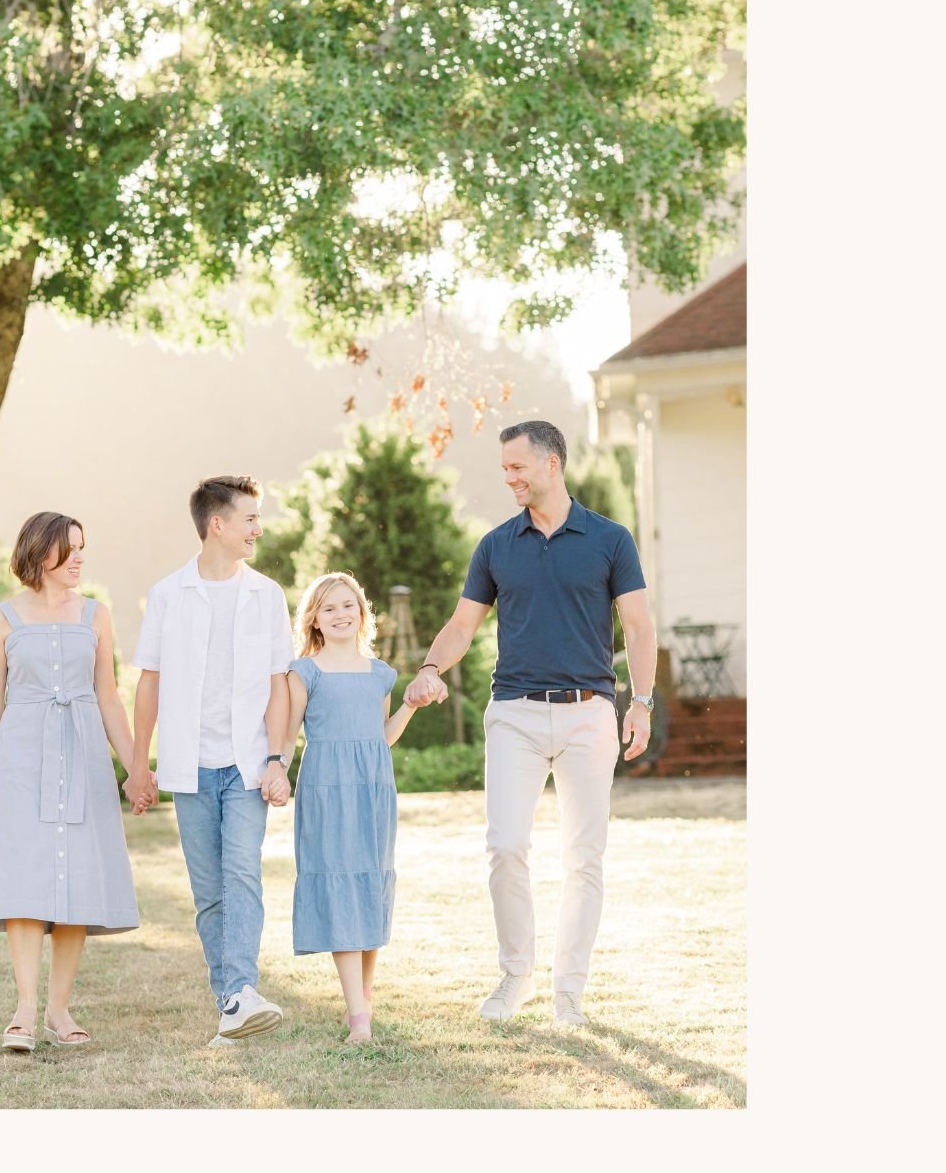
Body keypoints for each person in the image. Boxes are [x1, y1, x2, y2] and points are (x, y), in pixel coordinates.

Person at [404, 420, 656, 1026]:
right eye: (504, 470)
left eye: (517, 468)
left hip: (589, 713)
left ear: (551, 464)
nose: (509, 479)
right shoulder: (496, 545)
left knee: (584, 856)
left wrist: (640, 702)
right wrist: (431, 666)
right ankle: (516, 975)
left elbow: (640, 628)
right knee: (506, 847)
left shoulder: (610, 540)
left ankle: (569, 990)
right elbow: (463, 625)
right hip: (514, 712)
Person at [0, 512, 145, 1052]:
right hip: (23, 759)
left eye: (83, 548)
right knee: (26, 877)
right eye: (70, 549)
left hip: (84, 754)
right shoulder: (2, 618)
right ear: (40, 553)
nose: (81, 559)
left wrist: (136, 767)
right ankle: (23, 1008)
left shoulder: (96, 615)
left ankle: (59, 1011)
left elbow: (110, 697)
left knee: (76, 880)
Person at [131, 476, 296, 1047]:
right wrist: (137, 763)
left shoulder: (267, 595)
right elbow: (147, 685)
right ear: (217, 524)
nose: (258, 528)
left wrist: (277, 759)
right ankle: (231, 999)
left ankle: (240, 990)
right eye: (250, 517)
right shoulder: (169, 594)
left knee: (243, 873)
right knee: (209, 889)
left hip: (248, 763)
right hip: (188, 765)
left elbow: (279, 686)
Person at [284, 571, 418, 1044]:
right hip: (326, 788)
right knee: (340, 881)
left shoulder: (380, 674)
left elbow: (381, 736)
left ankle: (362, 998)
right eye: (329, 608)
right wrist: (276, 769)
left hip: (374, 787)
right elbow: (288, 735)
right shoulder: (305, 672)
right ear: (314, 620)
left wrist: (410, 707)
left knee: (370, 882)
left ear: (361, 613)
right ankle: (358, 1014)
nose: (340, 614)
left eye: (348, 605)